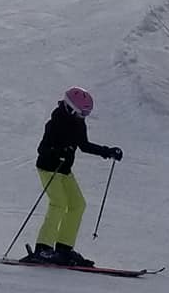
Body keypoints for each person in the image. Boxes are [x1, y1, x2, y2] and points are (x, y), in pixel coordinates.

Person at [24, 87, 122, 267]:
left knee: (78, 205)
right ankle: (43, 248)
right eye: (81, 113)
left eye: (86, 113)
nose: (83, 117)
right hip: (48, 169)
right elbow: (42, 149)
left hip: (64, 171)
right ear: (69, 108)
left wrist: (108, 152)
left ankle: (64, 248)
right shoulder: (54, 123)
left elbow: (84, 145)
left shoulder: (78, 123)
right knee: (58, 203)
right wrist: (57, 152)